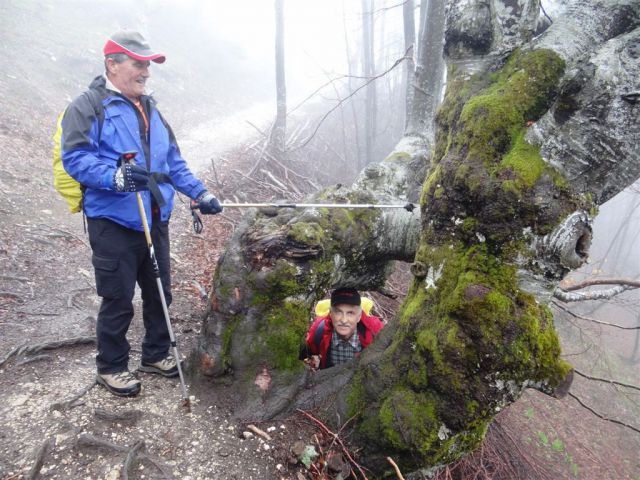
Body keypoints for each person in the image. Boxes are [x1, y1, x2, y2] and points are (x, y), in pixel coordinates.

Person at [60, 31, 223, 397]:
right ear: (112, 65)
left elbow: (173, 162)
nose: (146, 72)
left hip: (154, 218)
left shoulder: (150, 109)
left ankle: (155, 355)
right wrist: (114, 177)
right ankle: (112, 366)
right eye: (138, 63)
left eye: (148, 64)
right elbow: (75, 158)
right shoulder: (88, 106)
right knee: (117, 297)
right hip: (113, 221)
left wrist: (200, 192)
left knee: (159, 291)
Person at [302, 288, 384, 369]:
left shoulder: (375, 330)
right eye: (338, 312)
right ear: (330, 314)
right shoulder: (319, 331)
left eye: (350, 313)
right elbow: (304, 353)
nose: (344, 320)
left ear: (359, 316)